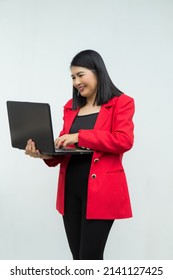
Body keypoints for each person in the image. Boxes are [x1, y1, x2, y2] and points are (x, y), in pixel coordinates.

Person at [25, 49, 135, 260]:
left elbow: (124, 140)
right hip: (70, 193)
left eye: (80, 75)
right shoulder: (71, 107)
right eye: (73, 77)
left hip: (101, 193)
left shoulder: (121, 103)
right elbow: (63, 147)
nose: (76, 82)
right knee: (78, 259)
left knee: (90, 258)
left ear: (97, 72)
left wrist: (79, 136)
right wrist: (44, 154)